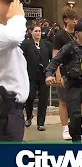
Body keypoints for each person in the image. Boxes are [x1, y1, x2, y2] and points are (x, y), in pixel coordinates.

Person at [45, 23, 82, 142]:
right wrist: (49, 74)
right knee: (75, 116)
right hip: (73, 86)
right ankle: (76, 142)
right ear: (77, 33)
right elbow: (55, 61)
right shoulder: (69, 47)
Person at [52, 9, 82, 140]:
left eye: (76, 19)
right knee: (63, 101)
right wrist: (58, 74)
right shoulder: (60, 36)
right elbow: (55, 56)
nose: (75, 21)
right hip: (64, 72)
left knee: (79, 102)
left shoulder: (80, 34)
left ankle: (77, 127)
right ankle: (65, 128)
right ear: (66, 19)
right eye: (72, 19)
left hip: (79, 73)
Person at [0, 0, 29, 142]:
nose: (16, 7)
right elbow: (12, 38)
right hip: (4, 110)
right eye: (9, 2)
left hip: (12, 111)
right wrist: (17, 18)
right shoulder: (9, 35)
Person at [21, 24, 52, 131]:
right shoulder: (25, 45)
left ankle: (41, 123)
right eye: (36, 31)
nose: (38, 33)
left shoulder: (47, 45)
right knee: (30, 97)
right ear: (31, 32)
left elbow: (52, 60)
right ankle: (29, 116)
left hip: (44, 76)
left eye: (39, 31)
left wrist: (51, 73)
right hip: (30, 75)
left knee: (43, 100)